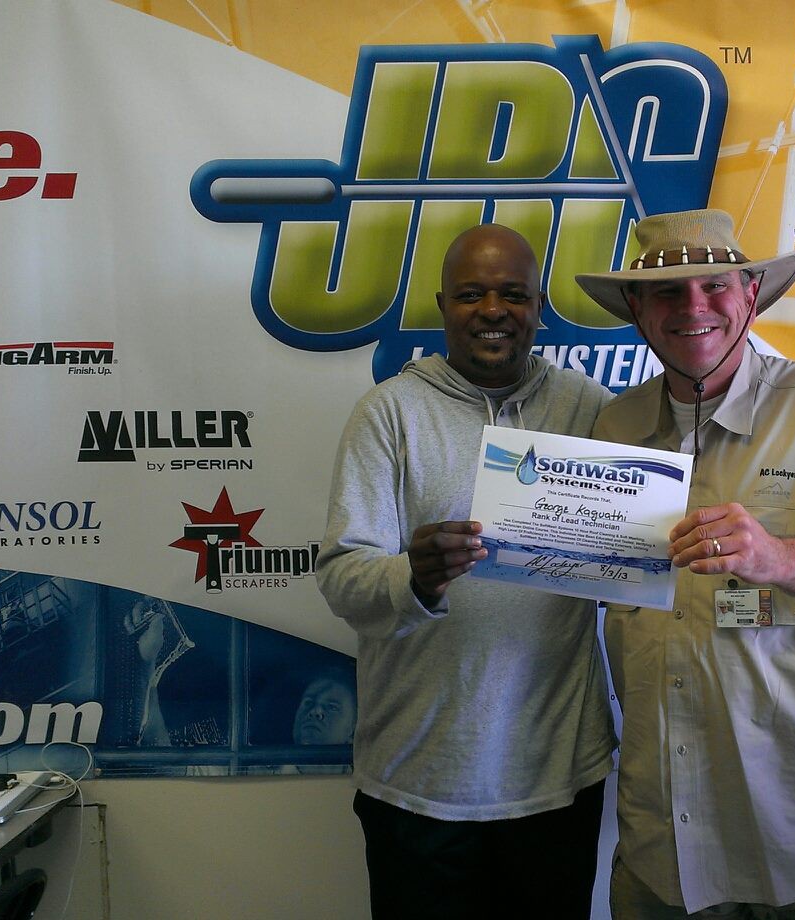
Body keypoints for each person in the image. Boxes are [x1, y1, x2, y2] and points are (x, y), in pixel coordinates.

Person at [576, 209, 795, 919]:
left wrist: (777, 556)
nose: (694, 307)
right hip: (663, 843)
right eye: (667, 292)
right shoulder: (612, 428)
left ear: (749, 295)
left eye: (715, 285)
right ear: (638, 311)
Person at [315, 224, 616, 919]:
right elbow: (341, 578)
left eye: (513, 294)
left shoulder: (589, 408)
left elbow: (632, 556)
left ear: (538, 306)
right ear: (442, 305)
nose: (493, 310)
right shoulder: (390, 413)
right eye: (471, 294)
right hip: (420, 782)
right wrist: (412, 577)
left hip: (558, 777)